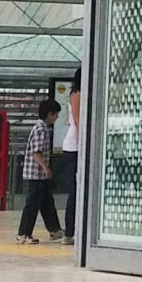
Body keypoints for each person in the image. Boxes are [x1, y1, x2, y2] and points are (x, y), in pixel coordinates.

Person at [15, 97, 63, 245]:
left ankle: (55, 229)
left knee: (47, 202)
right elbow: (36, 152)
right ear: (49, 114)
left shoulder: (43, 128)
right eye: (56, 115)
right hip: (35, 174)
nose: (57, 118)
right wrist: (46, 168)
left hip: (40, 175)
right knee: (32, 204)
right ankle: (23, 233)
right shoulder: (41, 130)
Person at [56, 76, 82, 248]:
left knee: (76, 190)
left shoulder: (74, 94)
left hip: (72, 145)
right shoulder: (78, 95)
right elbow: (80, 123)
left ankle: (71, 231)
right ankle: (70, 231)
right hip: (75, 146)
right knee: (75, 190)